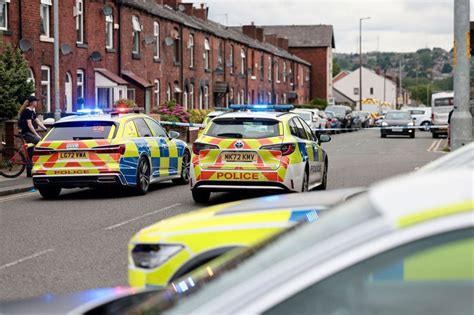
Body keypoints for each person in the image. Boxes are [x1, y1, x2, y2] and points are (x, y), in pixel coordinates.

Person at [18, 95, 47, 177]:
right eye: (36, 101)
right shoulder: (27, 111)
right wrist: (37, 135)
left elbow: (37, 121)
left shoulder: (32, 112)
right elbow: (30, 125)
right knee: (39, 141)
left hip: (29, 133)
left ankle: (29, 171)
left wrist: (45, 128)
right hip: (26, 133)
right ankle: (39, 163)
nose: (37, 102)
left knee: (30, 152)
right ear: (32, 102)